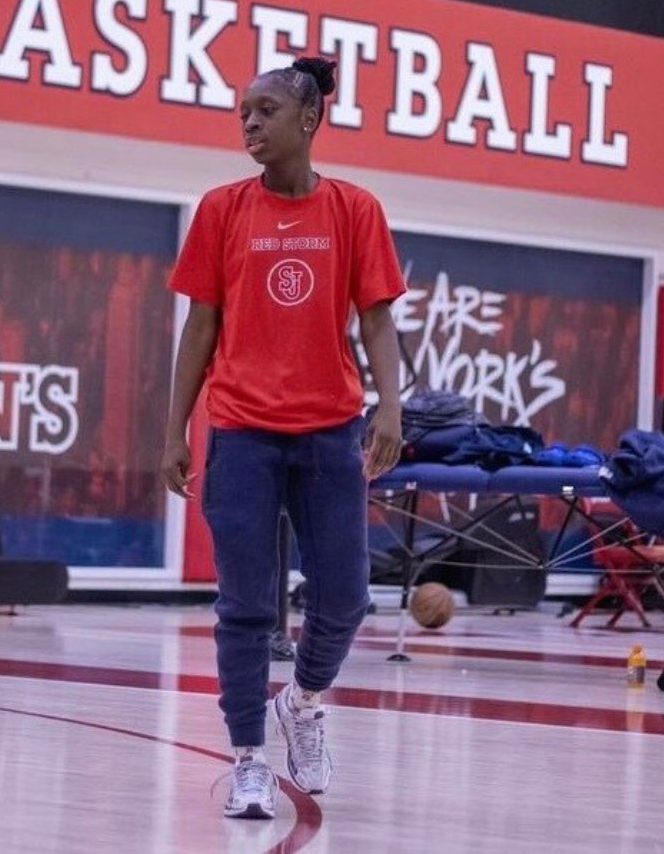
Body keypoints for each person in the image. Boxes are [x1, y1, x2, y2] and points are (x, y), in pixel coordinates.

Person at [160, 56, 405, 819]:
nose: (250, 125)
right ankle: (248, 762)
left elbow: (376, 318)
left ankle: (301, 700)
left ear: (310, 121)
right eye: (243, 114)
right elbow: (200, 324)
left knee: (346, 596)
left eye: (265, 111)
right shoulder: (221, 209)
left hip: (330, 432)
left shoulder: (355, 210)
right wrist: (175, 427)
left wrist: (391, 407)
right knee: (244, 607)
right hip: (239, 433)